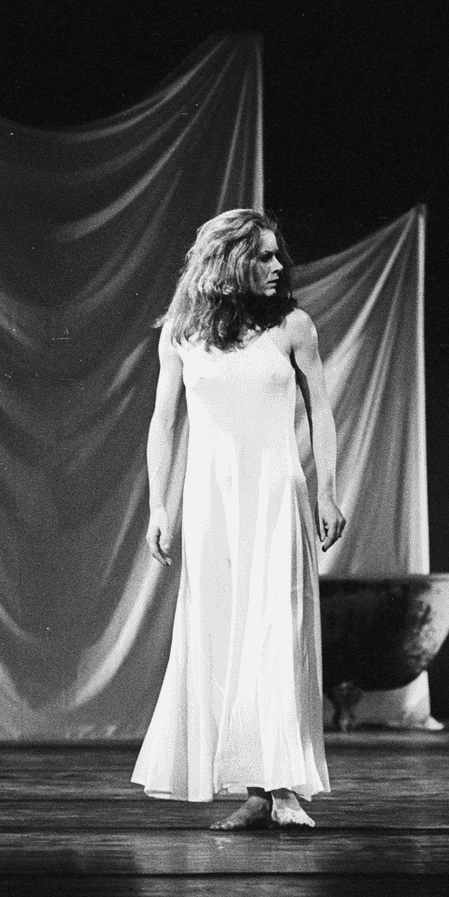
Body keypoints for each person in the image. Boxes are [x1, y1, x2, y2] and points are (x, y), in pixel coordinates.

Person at [132, 209, 347, 830]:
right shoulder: (180, 331)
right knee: (225, 637)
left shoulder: (293, 326)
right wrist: (159, 506)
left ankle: (283, 788)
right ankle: (255, 792)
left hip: (277, 497)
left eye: (279, 256)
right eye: (264, 257)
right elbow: (162, 422)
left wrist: (326, 494)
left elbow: (322, 413)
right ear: (229, 261)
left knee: (275, 633)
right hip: (211, 504)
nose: (279, 267)